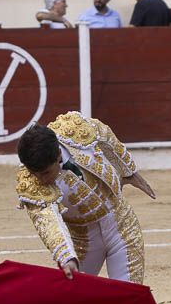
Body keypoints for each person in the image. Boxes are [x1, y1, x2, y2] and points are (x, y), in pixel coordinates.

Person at [15, 112, 155, 286]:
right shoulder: (30, 184)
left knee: (129, 296)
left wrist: (128, 170)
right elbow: (49, 224)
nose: (42, 180)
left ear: (58, 155)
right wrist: (67, 258)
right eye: (35, 174)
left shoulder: (75, 128)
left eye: (45, 173)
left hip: (121, 224)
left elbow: (106, 135)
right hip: (82, 243)